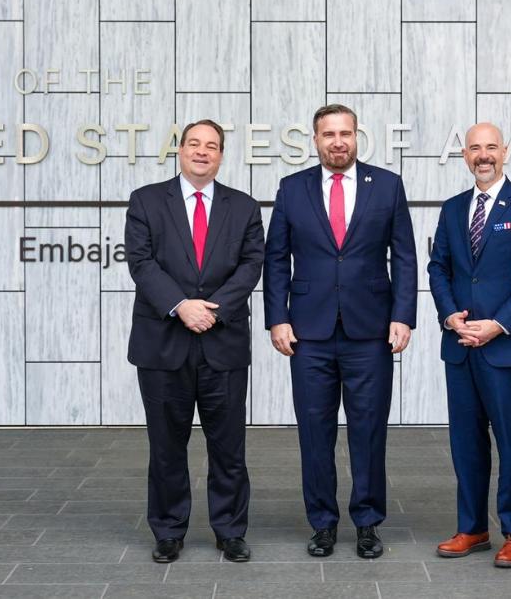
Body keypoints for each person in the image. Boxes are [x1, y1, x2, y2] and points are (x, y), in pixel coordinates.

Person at [263, 104, 417, 559]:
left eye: (345, 133)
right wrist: (278, 317)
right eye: (328, 134)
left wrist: (402, 315)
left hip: (370, 331)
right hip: (308, 333)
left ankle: (367, 522)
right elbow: (276, 259)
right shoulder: (292, 190)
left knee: (369, 431)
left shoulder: (386, 185)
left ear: (357, 136)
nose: (337, 141)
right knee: (315, 431)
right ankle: (323, 523)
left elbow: (404, 256)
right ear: (314, 140)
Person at [124, 119, 264, 563]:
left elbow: (250, 265)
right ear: (179, 150)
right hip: (163, 342)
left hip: (222, 342)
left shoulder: (243, 207)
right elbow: (141, 263)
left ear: (221, 155)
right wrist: (181, 305)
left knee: (229, 446)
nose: (202, 152)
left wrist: (211, 308)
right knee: (166, 446)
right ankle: (168, 531)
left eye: (212, 146)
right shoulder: (146, 201)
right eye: (194, 144)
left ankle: (230, 530)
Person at [427, 122, 511, 568]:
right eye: (475, 148)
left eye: (491, 147)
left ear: (505, 152)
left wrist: (497, 325)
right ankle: (473, 528)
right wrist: (449, 315)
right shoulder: (453, 208)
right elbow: (438, 267)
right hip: (459, 344)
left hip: (506, 347)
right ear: (464, 155)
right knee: (466, 442)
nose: (484, 155)